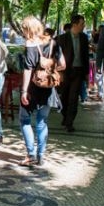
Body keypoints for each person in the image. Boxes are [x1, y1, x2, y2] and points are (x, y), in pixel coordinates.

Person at [18, 16, 66, 166]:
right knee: (42, 121)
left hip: (33, 87)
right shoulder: (53, 42)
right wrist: (50, 69)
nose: (23, 33)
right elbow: (63, 65)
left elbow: (28, 69)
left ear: (28, 29)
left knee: (24, 120)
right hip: (48, 87)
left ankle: (31, 154)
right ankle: (41, 155)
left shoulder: (30, 44)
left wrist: (24, 91)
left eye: (23, 30)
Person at [56, 14, 90, 132]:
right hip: (66, 72)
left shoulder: (84, 38)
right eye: (82, 24)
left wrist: (87, 74)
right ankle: (65, 116)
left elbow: (86, 56)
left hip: (78, 71)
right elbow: (57, 57)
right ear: (74, 25)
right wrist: (59, 72)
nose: (83, 26)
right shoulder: (62, 38)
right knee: (64, 97)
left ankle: (70, 122)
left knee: (73, 98)